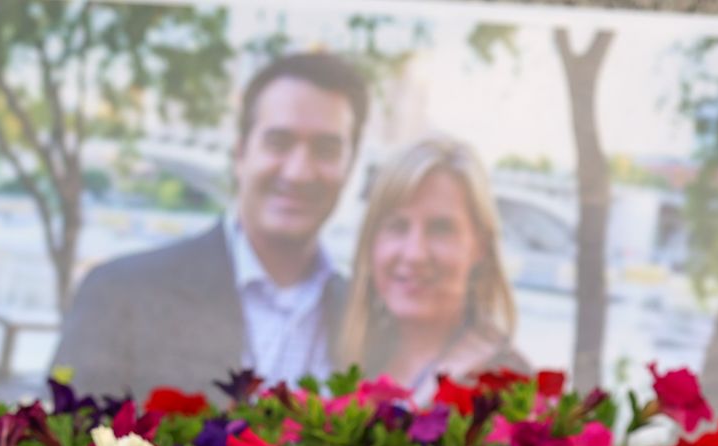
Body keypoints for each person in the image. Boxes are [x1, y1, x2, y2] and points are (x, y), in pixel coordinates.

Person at [56, 53, 368, 399]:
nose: (298, 172)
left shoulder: (367, 319)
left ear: (349, 167)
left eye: (326, 149)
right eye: (278, 143)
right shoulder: (120, 294)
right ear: (240, 154)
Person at [337, 136, 528, 402]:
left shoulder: (503, 385)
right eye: (397, 226)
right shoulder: (348, 354)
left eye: (441, 229)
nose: (414, 253)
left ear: (480, 246)